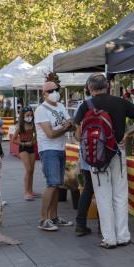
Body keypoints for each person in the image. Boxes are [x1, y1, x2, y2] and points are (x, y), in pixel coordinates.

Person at [73, 73, 134, 248]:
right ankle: (123, 236)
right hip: (117, 152)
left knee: (103, 197)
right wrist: (128, 132)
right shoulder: (120, 102)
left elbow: (78, 135)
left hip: (96, 157)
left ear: (90, 88)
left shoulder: (86, 106)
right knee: (120, 195)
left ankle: (109, 239)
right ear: (107, 86)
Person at [35, 81, 75, 231]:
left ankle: (54, 217)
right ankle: (43, 219)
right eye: (51, 90)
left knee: (57, 184)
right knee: (52, 184)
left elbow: (70, 120)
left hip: (60, 148)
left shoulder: (60, 106)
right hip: (48, 149)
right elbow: (50, 133)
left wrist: (66, 125)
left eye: (56, 89)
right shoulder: (41, 110)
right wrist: (65, 128)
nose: (54, 92)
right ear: (44, 94)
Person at [73, 82, 97, 237]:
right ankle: (105, 227)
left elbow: (77, 135)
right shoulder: (110, 103)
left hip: (87, 154)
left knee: (88, 189)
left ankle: (80, 224)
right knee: (104, 191)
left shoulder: (81, 107)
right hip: (105, 154)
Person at [12, 106, 38, 201]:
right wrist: (24, 143)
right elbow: (13, 140)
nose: (29, 117)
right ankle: (26, 192)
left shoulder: (33, 125)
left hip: (31, 147)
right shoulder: (20, 126)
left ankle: (30, 190)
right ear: (23, 116)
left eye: (31, 115)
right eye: (27, 115)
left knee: (32, 170)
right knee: (28, 169)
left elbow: (36, 135)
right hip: (23, 148)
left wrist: (34, 141)